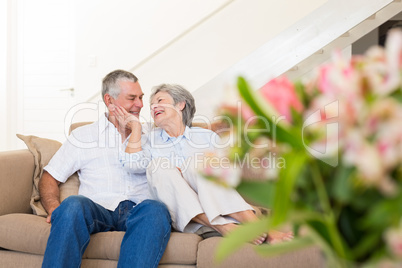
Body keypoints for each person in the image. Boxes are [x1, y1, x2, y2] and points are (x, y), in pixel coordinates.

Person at [112, 83, 293, 245]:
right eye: (151, 105)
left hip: (220, 207)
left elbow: (228, 175)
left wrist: (186, 172)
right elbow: (131, 164)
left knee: (198, 162)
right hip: (188, 218)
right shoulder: (149, 140)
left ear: (180, 104)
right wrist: (136, 129)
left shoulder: (207, 136)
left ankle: (259, 229)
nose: (153, 107)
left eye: (160, 100)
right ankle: (224, 228)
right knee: (158, 167)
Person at [39, 70, 172, 268]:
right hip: (97, 209)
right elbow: (50, 177)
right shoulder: (83, 136)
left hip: (139, 210)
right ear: (110, 100)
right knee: (73, 204)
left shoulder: (155, 135)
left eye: (141, 98)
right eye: (132, 98)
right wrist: (53, 209)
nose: (140, 105)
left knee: (157, 209)